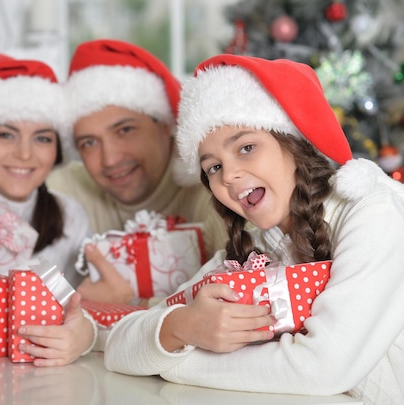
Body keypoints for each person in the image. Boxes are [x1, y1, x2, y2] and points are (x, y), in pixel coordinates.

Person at [104, 54, 404, 405]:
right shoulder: (257, 246)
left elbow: (322, 366)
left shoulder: (373, 211)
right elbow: (118, 347)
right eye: (213, 167)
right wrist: (181, 327)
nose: (227, 175)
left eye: (246, 148)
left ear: (293, 142)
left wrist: (176, 364)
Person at [0, 53, 96, 367]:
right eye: (6, 134)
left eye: (42, 138)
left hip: (46, 377)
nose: (24, 153)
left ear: (57, 151)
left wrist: (84, 336)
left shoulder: (73, 215)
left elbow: (80, 306)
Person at [46, 39, 228, 304]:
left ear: (165, 124)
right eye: (89, 143)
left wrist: (127, 307)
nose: (110, 159)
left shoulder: (215, 183)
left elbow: (236, 302)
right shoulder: (64, 191)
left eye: (125, 130)